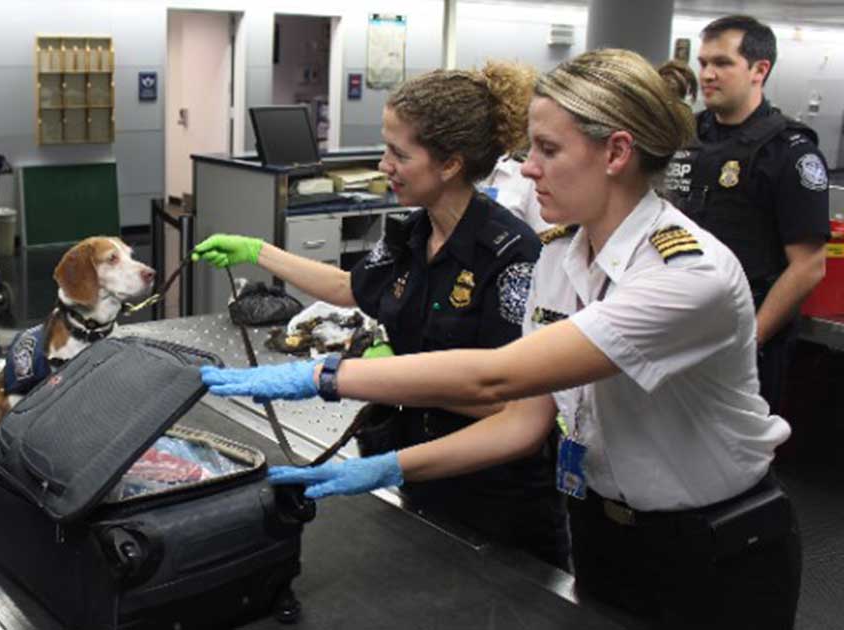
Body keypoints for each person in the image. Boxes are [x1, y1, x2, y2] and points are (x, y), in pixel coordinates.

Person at [202, 49, 801, 629]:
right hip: (603, 532)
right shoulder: (562, 256)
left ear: (616, 151)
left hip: (709, 547)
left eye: (547, 149)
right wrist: (388, 468)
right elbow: (523, 421)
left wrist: (321, 377)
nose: (526, 167)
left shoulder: (683, 274)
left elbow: (499, 376)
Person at [192, 62, 569, 569]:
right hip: (419, 473)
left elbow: (508, 407)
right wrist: (257, 251)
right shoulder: (413, 233)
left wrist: (371, 377)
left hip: (491, 502)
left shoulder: (511, 256)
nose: (383, 163)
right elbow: (353, 288)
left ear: (451, 164)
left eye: (399, 153)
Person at [665, 15, 829, 412]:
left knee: (737, 460)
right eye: (703, 63)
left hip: (745, 335)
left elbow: (809, 265)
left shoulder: (789, 151)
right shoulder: (686, 136)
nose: (707, 74)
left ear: (760, 70)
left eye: (722, 63)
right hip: (678, 325)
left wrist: (751, 340)